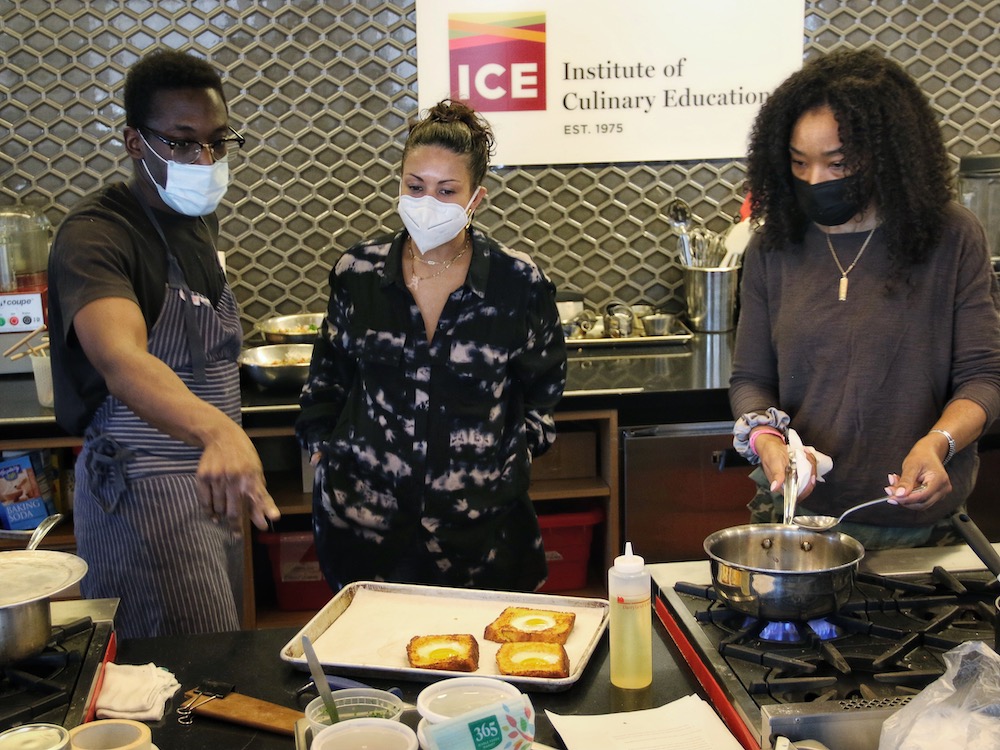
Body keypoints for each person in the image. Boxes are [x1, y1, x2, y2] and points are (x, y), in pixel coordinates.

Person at [48, 49, 281, 639]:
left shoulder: (197, 223)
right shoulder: (96, 235)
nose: (203, 159)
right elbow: (122, 360)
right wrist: (218, 429)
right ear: (134, 141)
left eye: (216, 142)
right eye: (181, 142)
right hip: (144, 492)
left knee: (218, 657)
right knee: (174, 683)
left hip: (210, 482)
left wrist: (218, 442)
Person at [729, 47, 1000, 550]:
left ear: (886, 153)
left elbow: (984, 377)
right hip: (796, 521)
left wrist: (939, 443)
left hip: (918, 530)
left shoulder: (949, 237)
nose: (815, 181)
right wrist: (766, 438)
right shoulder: (774, 245)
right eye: (798, 163)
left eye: (838, 164)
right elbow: (752, 380)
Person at [296, 100, 567, 592]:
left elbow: (544, 387)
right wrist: (322, 444)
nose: (428, 202)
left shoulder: (517, 282)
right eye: (415, 187)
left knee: (484, 657)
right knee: (371, 657)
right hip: (366, 523)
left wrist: (509, 456)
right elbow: (328, 376)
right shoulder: (357, 274)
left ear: (475, 199)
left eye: (447, 192)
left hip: (479, 529)